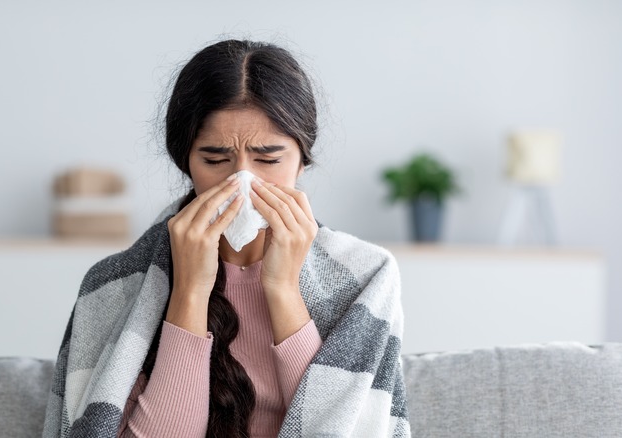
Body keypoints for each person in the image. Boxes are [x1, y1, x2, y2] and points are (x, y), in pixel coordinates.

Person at [43, 39, 410, 438]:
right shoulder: (112, 286)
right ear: (186, 162)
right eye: (215, 160)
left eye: (268, 160)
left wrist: (283, 289)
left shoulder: (366, 277)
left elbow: (346, 430)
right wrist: (190, 291)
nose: (242, 182)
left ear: (303, 160)